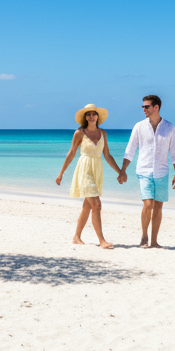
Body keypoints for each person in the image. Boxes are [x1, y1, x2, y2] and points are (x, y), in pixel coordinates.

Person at [55, 103, 125, 248]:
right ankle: (102, 240)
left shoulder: (103, 133)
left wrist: (120, 172)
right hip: (84, 169)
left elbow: (107, 155)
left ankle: (76, 237)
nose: (91, 116)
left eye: (94, 113)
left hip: (97, 170)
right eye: (88, 114)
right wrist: (61, 173)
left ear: (98, 116)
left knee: (87, 207)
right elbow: (72, 153)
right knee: (97, 205)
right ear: (85, 117)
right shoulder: (79, 133)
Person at [120, 94, 175, 248]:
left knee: (158, 207)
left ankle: (154, 241)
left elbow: (174, 152)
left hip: (162, 172)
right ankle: (144, 236)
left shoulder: (169, 127)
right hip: (144, 171)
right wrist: (123, 170)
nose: (143, 109)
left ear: (156, 107)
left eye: (146, 106)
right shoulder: (139, 126)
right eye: (143, 106)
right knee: (148, 204)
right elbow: (130, 149)